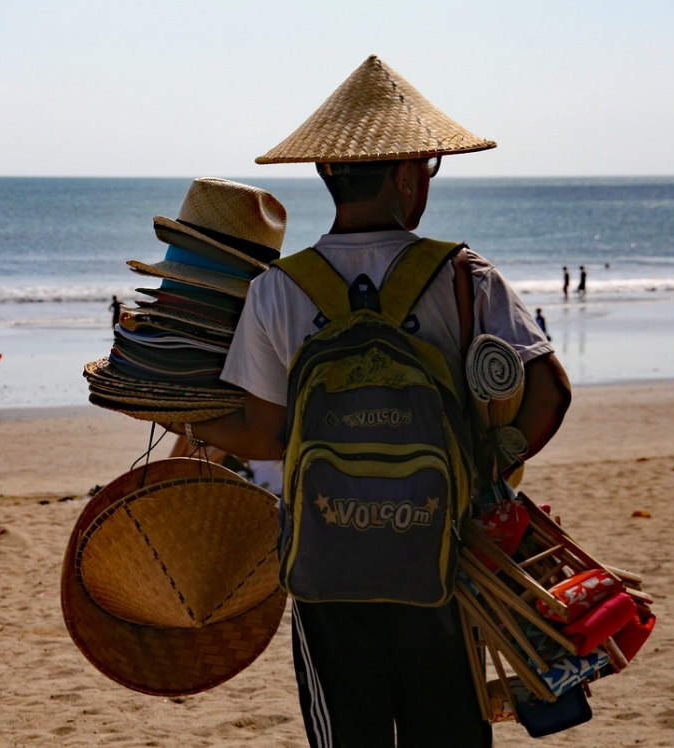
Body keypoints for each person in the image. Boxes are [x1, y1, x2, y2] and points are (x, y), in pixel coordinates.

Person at [165, 56, 571, 747]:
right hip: (445, 557)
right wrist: (489, 461)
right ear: (411, 174)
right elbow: (550, 393)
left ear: (328, 173)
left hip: (329, 568)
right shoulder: (464, 275)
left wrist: (180, 412)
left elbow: (268, 435)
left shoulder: (278, 289)